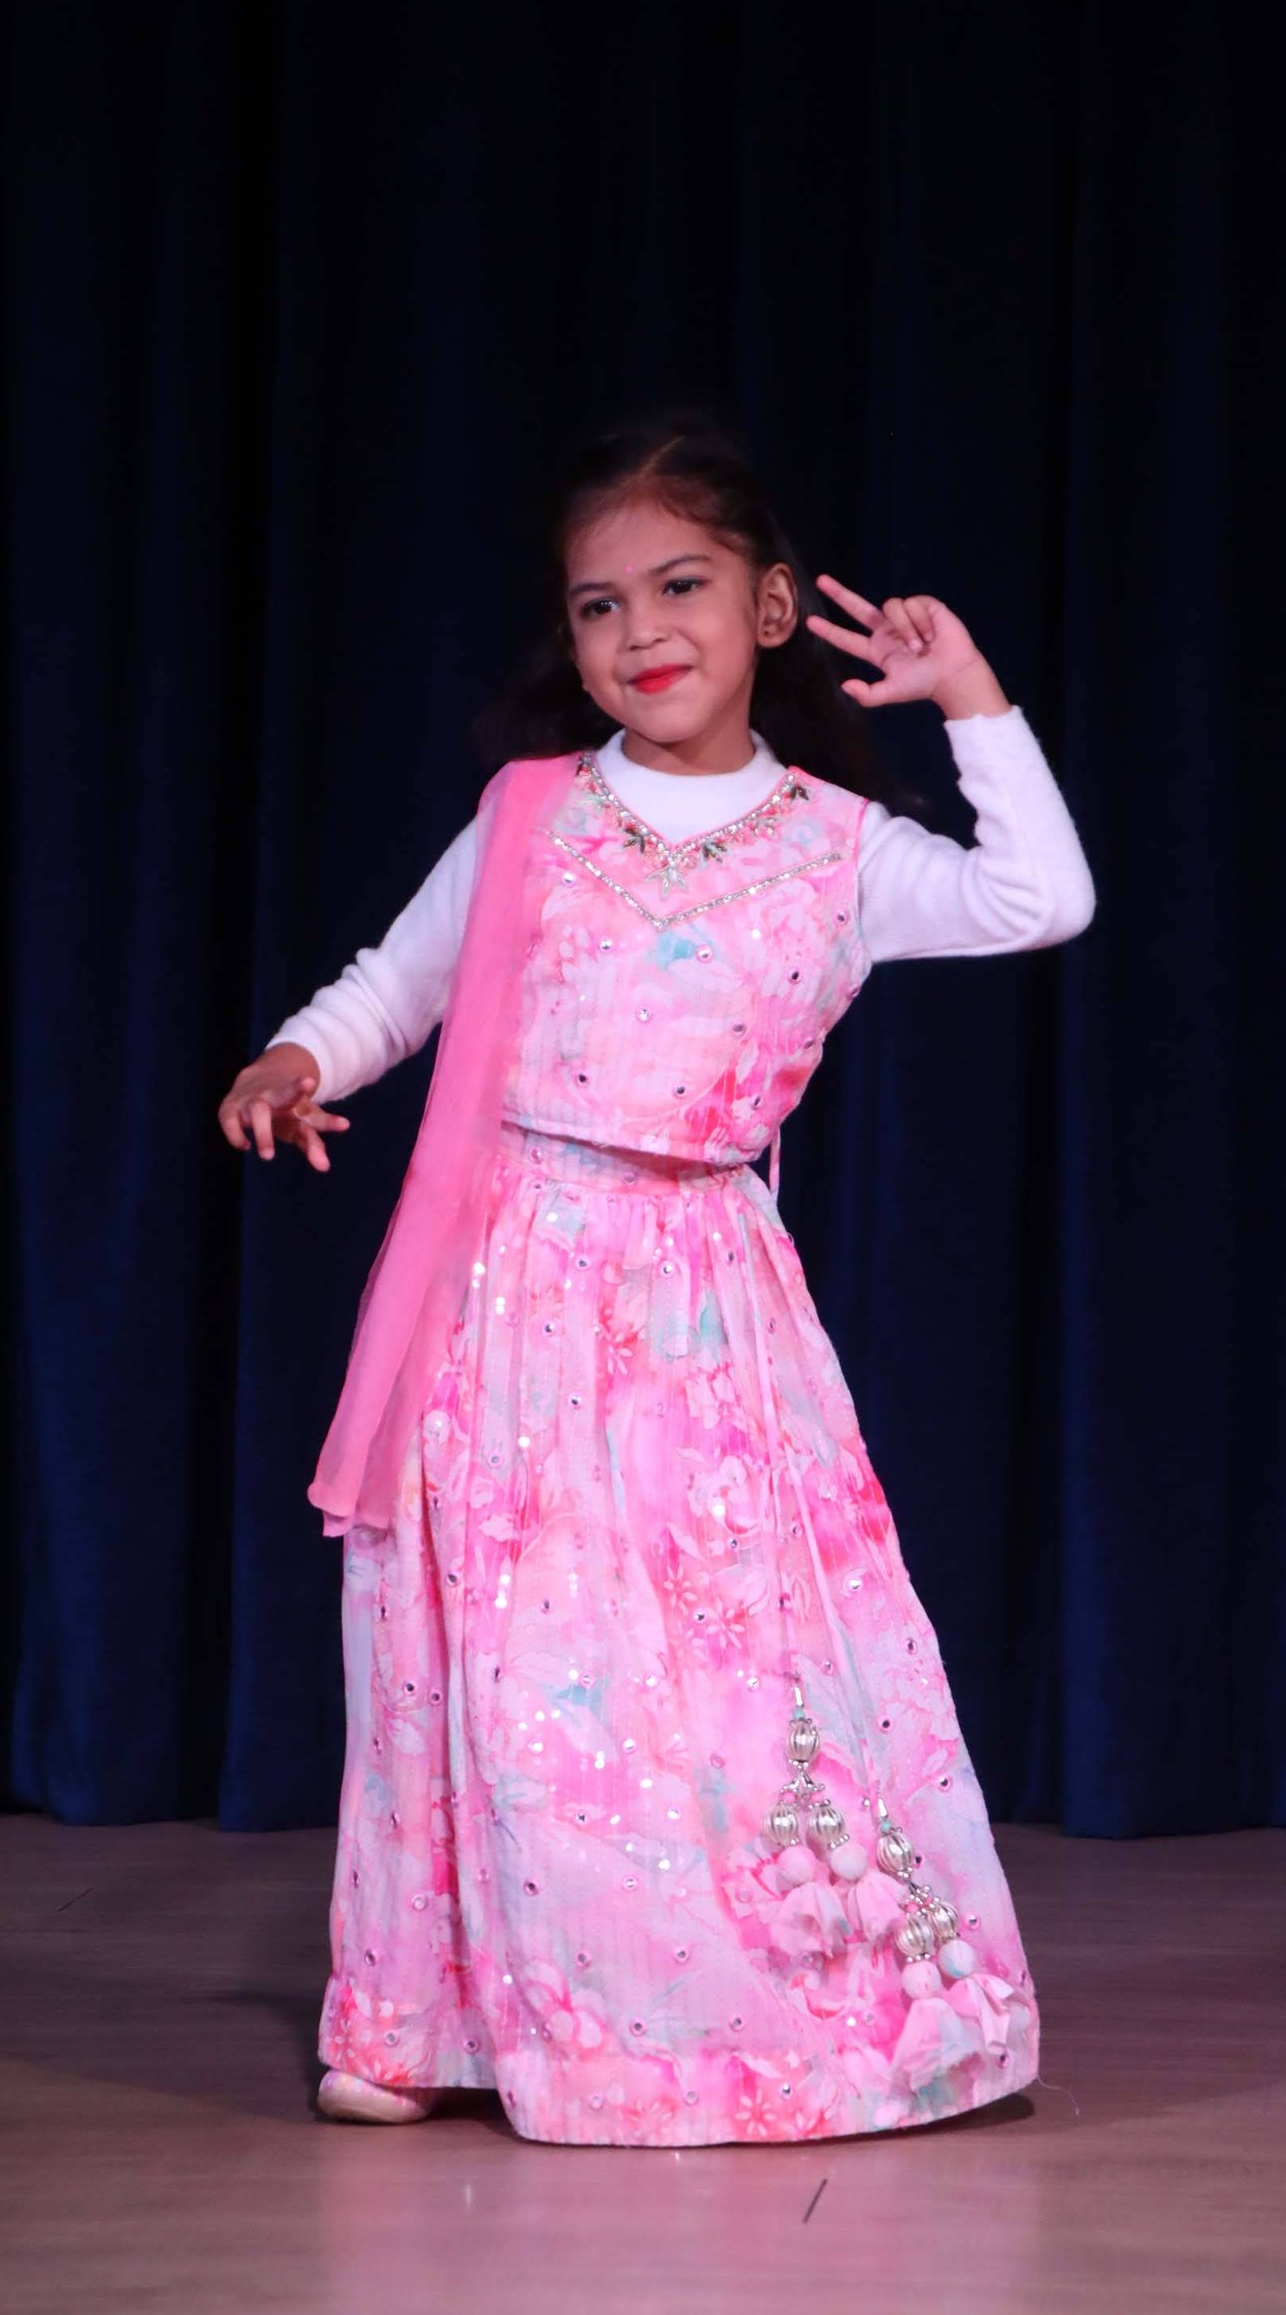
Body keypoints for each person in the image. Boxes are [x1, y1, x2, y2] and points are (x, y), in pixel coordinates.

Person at [218, 414, 1095, 2146]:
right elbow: (398, 986)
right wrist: (297, 1058)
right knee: (499, 1658)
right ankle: (425, 2017)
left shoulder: (837, 848)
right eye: (601, 604)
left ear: (771, 608)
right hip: (506, 1291)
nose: (642, 631)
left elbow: (1038, 899)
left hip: (704, 1307)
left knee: (714, 1667)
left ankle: (722, 2023)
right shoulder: (532, 817)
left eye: (682, 587)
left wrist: (972, 700)